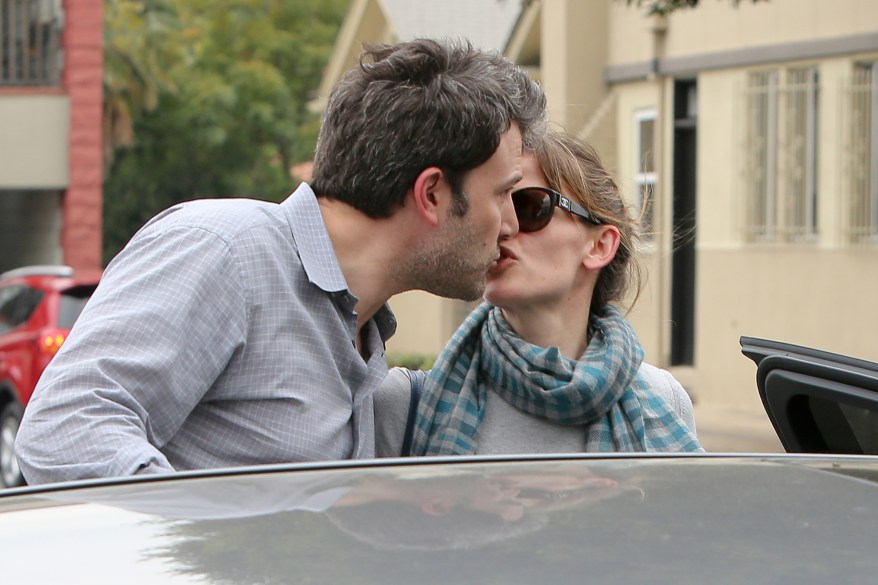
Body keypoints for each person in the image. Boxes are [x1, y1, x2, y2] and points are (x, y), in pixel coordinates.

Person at [14, 38, 547, 484]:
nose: (511, 225)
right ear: (431, 194)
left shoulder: (359, 327)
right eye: (503, 195)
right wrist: (200, 548)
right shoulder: (226, 250)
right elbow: (66, 429)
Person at [375, 131, 703, 456]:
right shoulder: (405, 406)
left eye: (531, 207)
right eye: (494, 205)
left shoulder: (664, 401)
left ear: (600, 245)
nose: (503, 227)